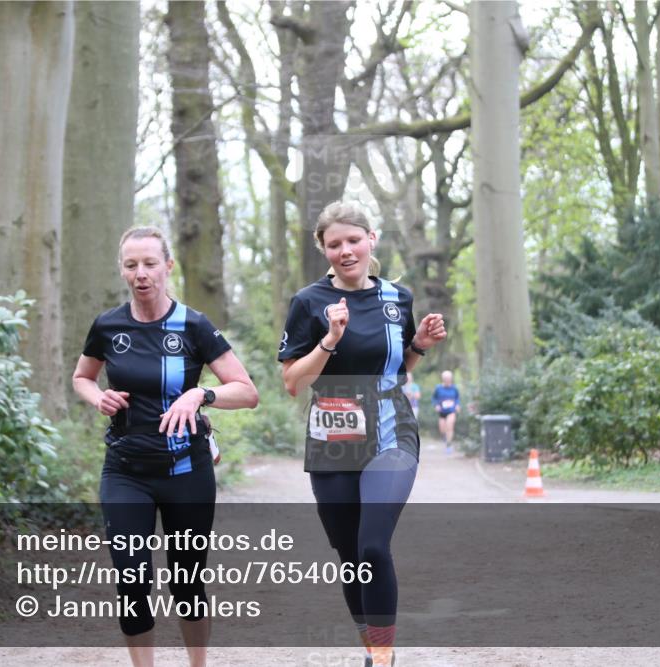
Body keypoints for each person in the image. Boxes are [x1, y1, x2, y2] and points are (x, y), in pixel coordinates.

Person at [72, 227, 258, 667]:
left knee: (187, 583)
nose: (141, 274)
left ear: (168, 266)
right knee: (131, 579)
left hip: (186, 471)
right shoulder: (108, 325)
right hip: (125, 471)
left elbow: (247, 391)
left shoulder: (193, 325)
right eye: (131, 265)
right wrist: (98, 396)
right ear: (122, 269)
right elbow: (82, 376)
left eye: (150, 264)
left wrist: (201, 394)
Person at [278, 202, 447, 667]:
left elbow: (400, 368)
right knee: (350, 553)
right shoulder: (309, 302)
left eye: (353, 240)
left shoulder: (399, 298)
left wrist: (420, 346)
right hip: (333, 436)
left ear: (372, 239)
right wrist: (329, 339)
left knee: (373, 545)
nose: (345, 251)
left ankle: (384, 656)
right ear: (323, 250)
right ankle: (372, 646)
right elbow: (293, 383)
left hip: (392, 430)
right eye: (334, 244)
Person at [431, 370, 460, 454]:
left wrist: (457, 405)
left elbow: (457, 398)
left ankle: (449, 444)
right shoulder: (438, 388)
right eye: (446, 378)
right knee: (442, 429)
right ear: (443, 379)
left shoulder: (454, 388)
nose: (447, 380)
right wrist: (436, 405)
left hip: (451, 410)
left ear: (451, 379)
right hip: (442, 412)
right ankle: (445, 438)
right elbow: (434, 398)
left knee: (450, 426)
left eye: (449, 378)